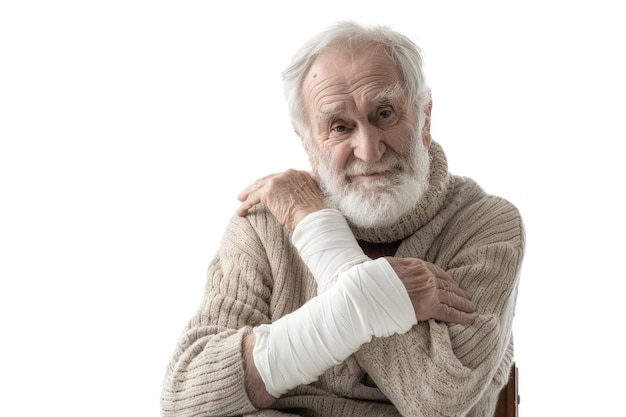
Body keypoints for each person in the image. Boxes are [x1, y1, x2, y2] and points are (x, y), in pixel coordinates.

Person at [161, 20, 524, 417]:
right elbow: (187, 397)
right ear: (309, 145)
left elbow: (439, 399)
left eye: (384, 113)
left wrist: (318, 233)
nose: (368, 150)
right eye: (339, 126)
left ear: (425, 119)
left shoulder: (486, 224)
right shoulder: (264, 225)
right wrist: (377, 297)